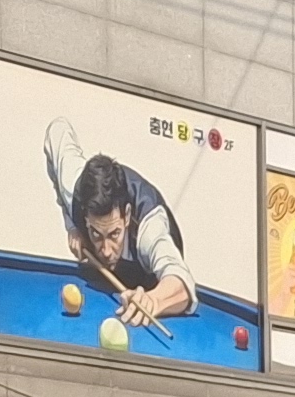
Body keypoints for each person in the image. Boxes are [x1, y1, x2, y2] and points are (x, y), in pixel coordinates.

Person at [42, 123, 201, 331]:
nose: (106, 250)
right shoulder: (75, 190)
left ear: (126, 216)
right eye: (96, 234)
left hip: (150, 284)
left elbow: (182, 284)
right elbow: (57, 130)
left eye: (114, 234)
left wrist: (152, 300)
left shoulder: (148, 226)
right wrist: (72, 225)